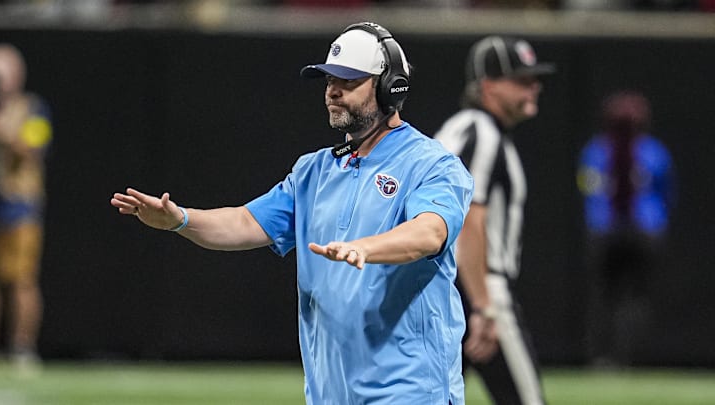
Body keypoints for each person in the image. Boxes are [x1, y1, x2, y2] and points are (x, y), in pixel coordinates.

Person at [111, 22, 474, 404]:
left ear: (389, 88)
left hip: (411, 391)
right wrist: (181, 219)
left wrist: (367, 248)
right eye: (329, 80)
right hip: (331, 395)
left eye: (348, 82)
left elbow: (429, 233)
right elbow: (244, 223)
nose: (333, 91)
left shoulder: (432, 164)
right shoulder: (313, 172)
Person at [434, 36, 554, 405]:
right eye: (520, 80)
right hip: (479, 286)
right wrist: (484, 305)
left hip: (438, 289)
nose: (533, 87)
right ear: (487, 86)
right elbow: (468, 216)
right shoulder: (481, 132)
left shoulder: (461, 128)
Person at [576, 90, 675, 367]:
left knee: (605, 296)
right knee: (634, 297)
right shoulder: (653, 151)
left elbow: (585, 187)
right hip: (643, 230)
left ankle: (603, 357)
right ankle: (627, 357)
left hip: (606, 229)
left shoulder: (595, 151)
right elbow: (667, 192)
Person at [0, 43, 52, 370]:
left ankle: (22, 346)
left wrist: (4, 132)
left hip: (20, 205)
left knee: (21, 279)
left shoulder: (33, 109)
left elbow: (34, 147)